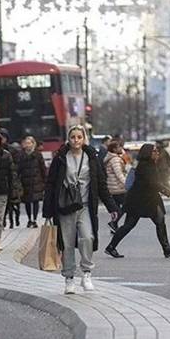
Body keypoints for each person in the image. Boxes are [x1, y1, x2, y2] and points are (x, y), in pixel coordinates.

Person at [43, 125, 118, 294]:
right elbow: (51, 184)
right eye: (73, 137)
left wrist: (111, 206)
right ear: (68, 139)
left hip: (85, 206)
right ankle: (69, 278)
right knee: (67, 243)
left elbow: (101, 184)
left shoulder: (92, 157)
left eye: (79, 137)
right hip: (65, 207)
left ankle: (86, 273)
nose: (76, 140)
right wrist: (47, 211)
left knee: (88, 237)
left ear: (84, 138)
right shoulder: (60, 158)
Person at [105, 144, 170, 259]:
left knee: (159, 221)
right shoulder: (146, 167)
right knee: (129, 225)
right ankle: (111, 247)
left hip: (147, 200)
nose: (157, 153)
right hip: (139, 201)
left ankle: (166, 248)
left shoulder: (149, 165)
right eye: (155, 151)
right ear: (148, 153)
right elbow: (154, 184)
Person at [18, 136, 47, 228]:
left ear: (33, 144)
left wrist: (45, 181)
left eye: (29, 143)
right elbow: (18, 169)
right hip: (25, 182)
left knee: (35, 201)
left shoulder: (38, 155)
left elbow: (43, 169)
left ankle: (34, 219)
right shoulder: (21, 156)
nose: (28, 145)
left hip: (36, 182)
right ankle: (29, 219)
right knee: (27, 201)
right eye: (26, 143)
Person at [104, 140, 127, 216]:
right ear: (114, 149)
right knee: (128, 206)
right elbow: (119, 174)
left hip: (113, 188)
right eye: (119, 147)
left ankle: (114, 223)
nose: (121, 149)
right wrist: (126, 184)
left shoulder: (111, 158)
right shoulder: (115, 160)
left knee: (117, 208)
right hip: (118, 188)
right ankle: (115, 223)